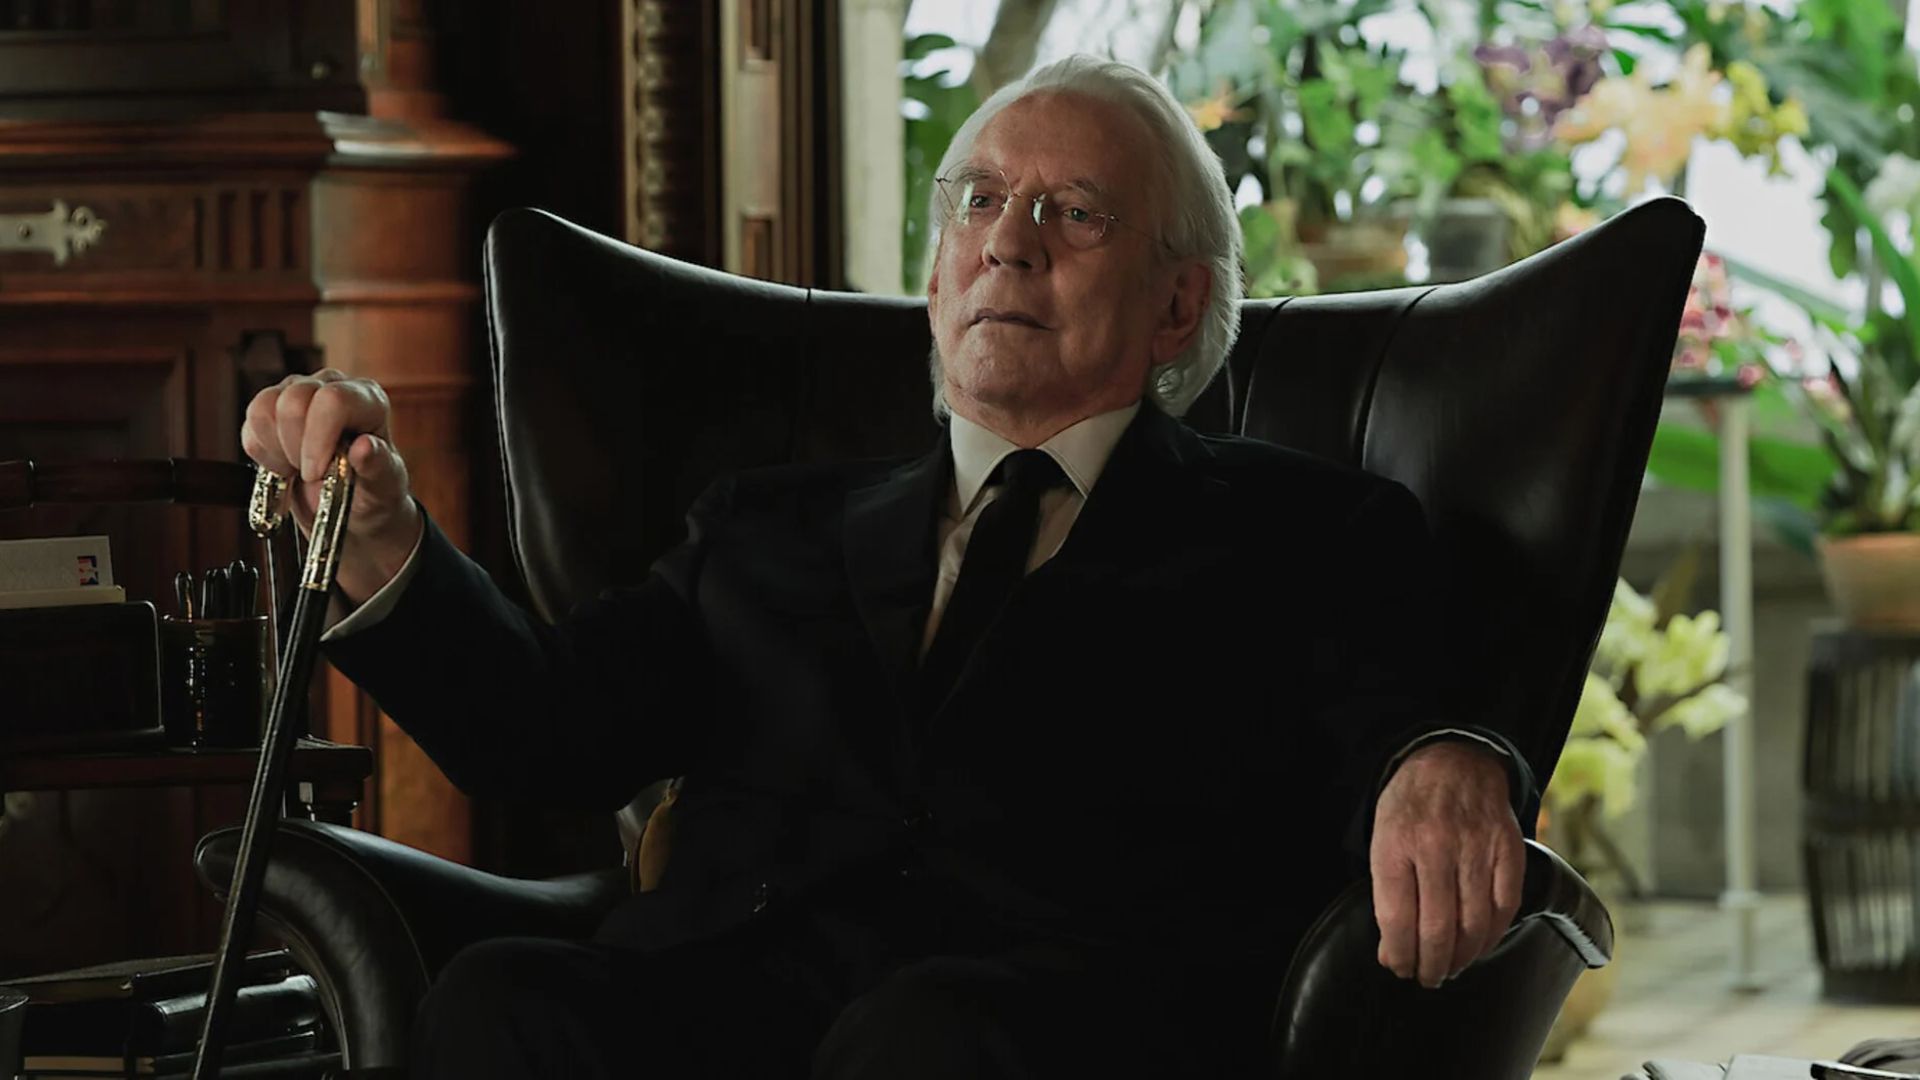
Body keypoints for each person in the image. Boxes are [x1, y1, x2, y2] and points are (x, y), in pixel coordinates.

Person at [242, 55, 1531, 1080]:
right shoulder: (764, 527)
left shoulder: (1302, 534)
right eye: (980, 201)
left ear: (1177, 307)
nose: (1009, 242)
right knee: (505, 997)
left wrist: (1447, 752)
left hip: (1046, 1029)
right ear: (935, 273)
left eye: (1074, 214)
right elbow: (546, 732)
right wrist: (383, 542)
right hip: (728, 1003)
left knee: (931, 1040)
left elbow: (1403, 717)